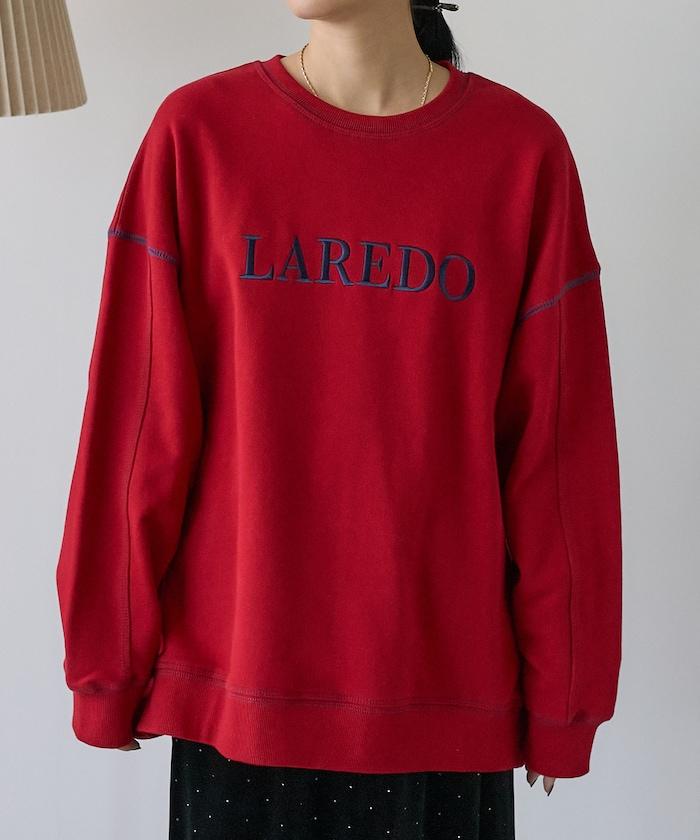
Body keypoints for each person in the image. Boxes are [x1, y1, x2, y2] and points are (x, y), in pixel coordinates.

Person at [55, 1, 623, 838]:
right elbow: (136, 429)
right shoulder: (199, 136)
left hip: (441, 715)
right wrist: (106, 668)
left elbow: (559, 458)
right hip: (239, 712)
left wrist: (566, 700)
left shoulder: (520, 154)